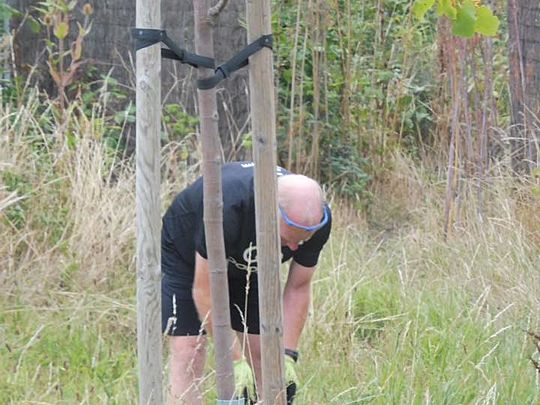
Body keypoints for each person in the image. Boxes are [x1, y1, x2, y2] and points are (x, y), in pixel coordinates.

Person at [161, 161, 332, 404]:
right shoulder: (227, 207)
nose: (293, 248)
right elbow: (204, 289)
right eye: (286, 239)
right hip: (189, 258)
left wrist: (287, 354)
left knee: (265, 354)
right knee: (190, 348)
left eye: (301, 242)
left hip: (247, 262)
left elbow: (298, 286)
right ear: (268, 209)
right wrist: (235, 359)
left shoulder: (317, 222)